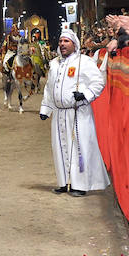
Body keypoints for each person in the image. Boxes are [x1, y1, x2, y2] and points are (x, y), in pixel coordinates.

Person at [38, 29, 109, 197]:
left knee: (79, 148)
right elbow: (49, 88)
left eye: (66, 41)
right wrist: (46, 109)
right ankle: (64, 182)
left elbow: (98, 81)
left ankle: (80, 185)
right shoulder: (54, 63)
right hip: (59, 114)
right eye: (61, 41)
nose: (62, 44)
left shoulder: (83, 62)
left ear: (74, 44)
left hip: (78, 112)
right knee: (60, 148)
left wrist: (85, 94)